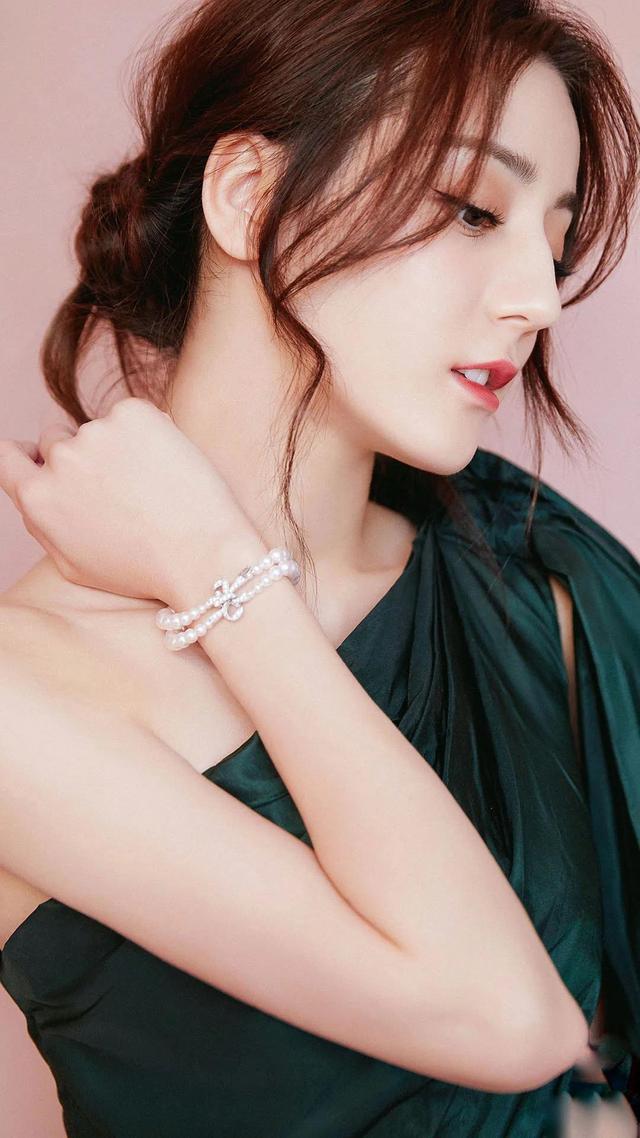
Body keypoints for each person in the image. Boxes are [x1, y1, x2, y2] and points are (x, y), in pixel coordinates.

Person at [0, 0, 638, 1135]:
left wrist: (215, 566)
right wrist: (223, 573)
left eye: (552, 238)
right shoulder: (24, 699)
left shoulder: (541, 584)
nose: (539, 299)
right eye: (471, 208)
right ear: (249, 197)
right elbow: (510, 1023)